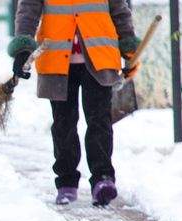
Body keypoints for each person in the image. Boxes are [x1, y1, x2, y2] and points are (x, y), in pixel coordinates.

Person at [9, 0, 140, 206]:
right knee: (63, 124)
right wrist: (22, 48)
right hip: (56, 60)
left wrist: (129, 46)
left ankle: (103, 179)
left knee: (99, 122)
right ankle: (66, 181)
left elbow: (119, 11)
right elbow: (28, 11)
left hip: (100, 58)